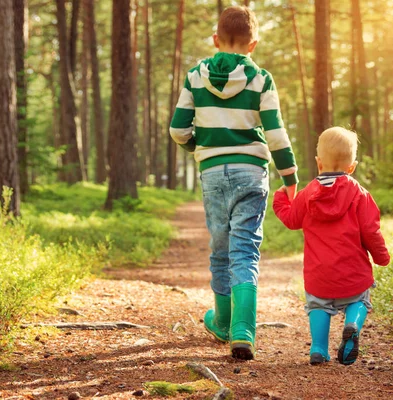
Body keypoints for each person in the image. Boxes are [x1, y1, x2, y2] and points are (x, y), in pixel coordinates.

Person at [169, 6, 299, 360]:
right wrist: (290, 177)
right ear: (252, 44)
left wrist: (204, 149)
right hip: (251, 171)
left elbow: (178, 130)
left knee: (220, 246)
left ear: (215, 40)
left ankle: (223, 323)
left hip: (212, 172)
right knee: (245, 249)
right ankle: (243, 331)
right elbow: (275, 134)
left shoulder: (196, 75)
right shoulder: (261, 79)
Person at [272, 127, 390, 365]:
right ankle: (352, 324)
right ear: (352, 167)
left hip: (319, 274)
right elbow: (371, 230)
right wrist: (381, 256)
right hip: (352, 271)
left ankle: (318, 349)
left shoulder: (307, 194)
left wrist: (281, 199)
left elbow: (292, 220)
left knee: (318, 305)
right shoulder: (360, 194)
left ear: (318, 162)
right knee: (360, 300)